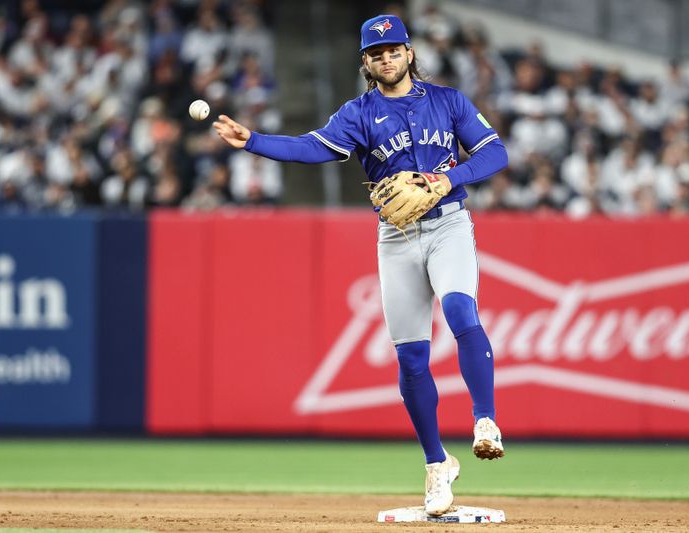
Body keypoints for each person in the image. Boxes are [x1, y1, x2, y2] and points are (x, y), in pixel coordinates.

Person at [213, 14, 508, 516]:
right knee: (411, 356)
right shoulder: (358, 113)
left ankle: (485, 421)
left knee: (461, 312)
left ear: (410, 53)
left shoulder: (448, 101)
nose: (387, 57)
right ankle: (437, 465)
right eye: (377, 52)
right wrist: (255, 141)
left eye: (394, 49)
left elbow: (494, 153)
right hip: (395, 238)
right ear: (366, 62)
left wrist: (445, 180)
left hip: (448, 224)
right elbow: (311, 147)